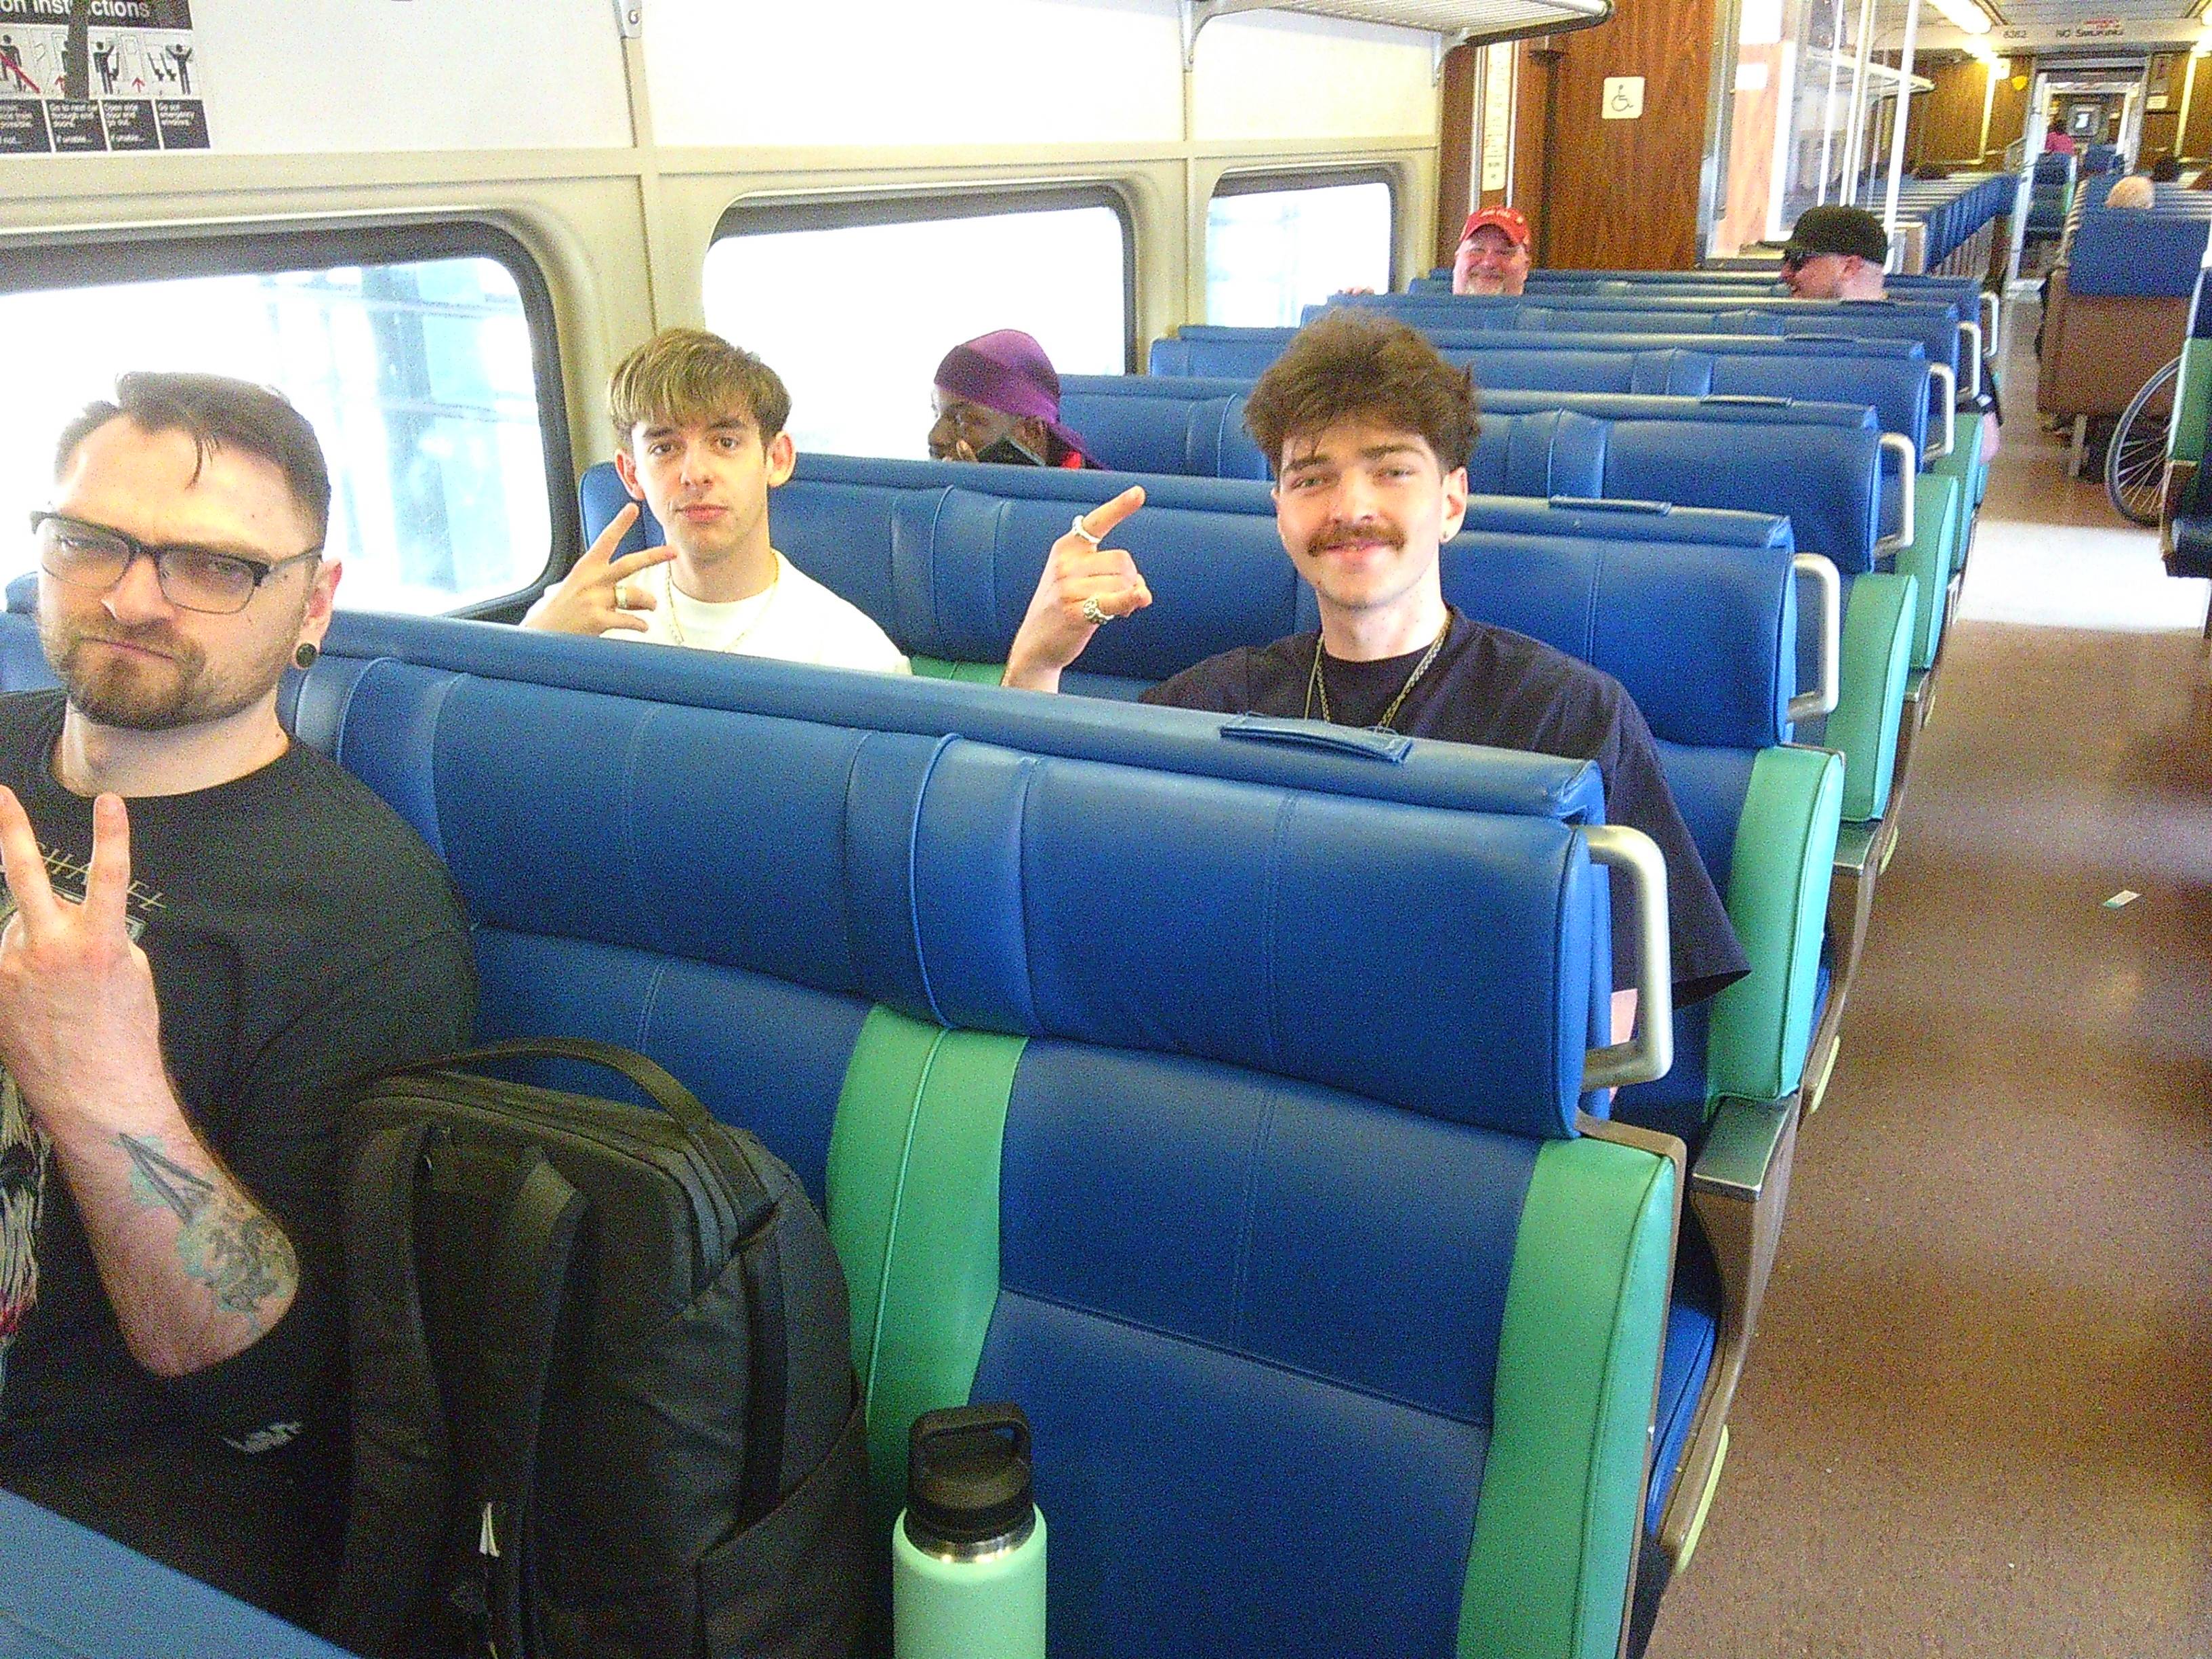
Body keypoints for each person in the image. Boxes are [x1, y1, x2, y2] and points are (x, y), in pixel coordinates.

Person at [0, 373, 476, 1623]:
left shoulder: (361, 914)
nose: (131, 593)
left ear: (311, 602)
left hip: (89, 1488)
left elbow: (262, 1396)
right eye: (92, 540)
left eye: (212, 566)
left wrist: (100, 1089)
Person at [1000, 312, 1749, 1026]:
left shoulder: (1570, 717)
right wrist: (1035, 664)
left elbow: (1609, 1018)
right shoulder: (1212, 702)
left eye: (1391, 471)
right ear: (1281, 513)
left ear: (1452, 502)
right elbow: (1043, 865)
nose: (1349, 507)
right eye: (1311, 478)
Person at [526, 329, 909, 672]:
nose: (695, 473)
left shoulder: (856, 655)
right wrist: (535, 652)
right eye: (665, 448)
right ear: (631, 474)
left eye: (725, 443)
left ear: (776, 460)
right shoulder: (570, 618)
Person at [1784, 205, 2004, 464]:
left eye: (1798, 260)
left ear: (1849, 267)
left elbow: (1984, 445)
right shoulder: (1781, 332)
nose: (1785, 273)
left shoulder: (1941, 340)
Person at [928, 329, 1099, 468]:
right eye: (936, 413)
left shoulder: (1098, 507)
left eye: (960, 420)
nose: (935, 437)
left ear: (1031, 432)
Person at [1450, 205, 1534, 297]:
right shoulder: (1432, 307)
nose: (1488, 263)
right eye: (1477, 250)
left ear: (1526, 267)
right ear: (1457, 260)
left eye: (1503, 252)